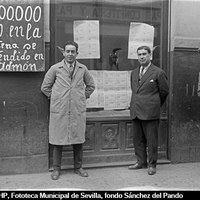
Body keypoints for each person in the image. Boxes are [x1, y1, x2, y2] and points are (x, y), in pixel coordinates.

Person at [41, 41, 95, 180]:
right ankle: (56, 169)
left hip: (77, 109)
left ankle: (78, 167)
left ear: (77, 53)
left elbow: (91, 85)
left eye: (73, 51)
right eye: (68, 51)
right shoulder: (55, 68)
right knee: (57, 140)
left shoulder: (83, 69)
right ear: (63, 53)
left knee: (78, 140)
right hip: (60, 110)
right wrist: (57, 98)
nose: (70, 54)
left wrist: (82, 96)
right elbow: (45, 87)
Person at [129, 45, 169, 175]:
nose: (141, 56)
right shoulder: (134, 72)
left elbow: (164, 92)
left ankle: (152, 165)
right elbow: (135, 91)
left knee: (151, 140)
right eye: (139, 54)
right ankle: (141, 162)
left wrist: (154, 104)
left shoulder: (158, 72)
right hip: (136, 111)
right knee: (138, 139)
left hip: (150, 112)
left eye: (144, 54)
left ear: (150, 55)